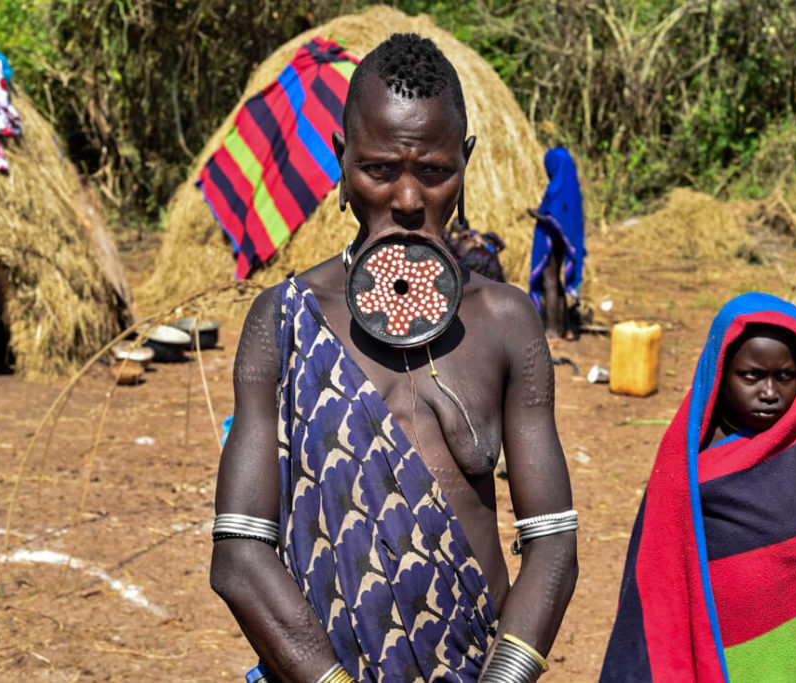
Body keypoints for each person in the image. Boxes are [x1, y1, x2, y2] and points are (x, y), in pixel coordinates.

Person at [210, 33, 577, 683]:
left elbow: (552, 543)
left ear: (465, 162)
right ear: (340, 159)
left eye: (433, 172)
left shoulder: (506, 322)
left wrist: (501, 678)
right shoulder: (284, 322)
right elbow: (240, 554)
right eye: (380, 170)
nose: (408, 200)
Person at [600, 292, 796, 682]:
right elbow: (663, 565)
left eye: (784, 377)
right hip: (718, 646)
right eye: (751, 376)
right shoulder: (688, 460)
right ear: (719, 370)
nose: (769, 392)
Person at [528, 147, 585, 340]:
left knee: (549, 281)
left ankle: (551, 331)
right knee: (557, 281)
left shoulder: (556, 188)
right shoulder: (571, 188)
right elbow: (566, 217)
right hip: (564, 243)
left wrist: (536, 215)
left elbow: (553, 217)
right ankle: (565, 327)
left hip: (550, 242)